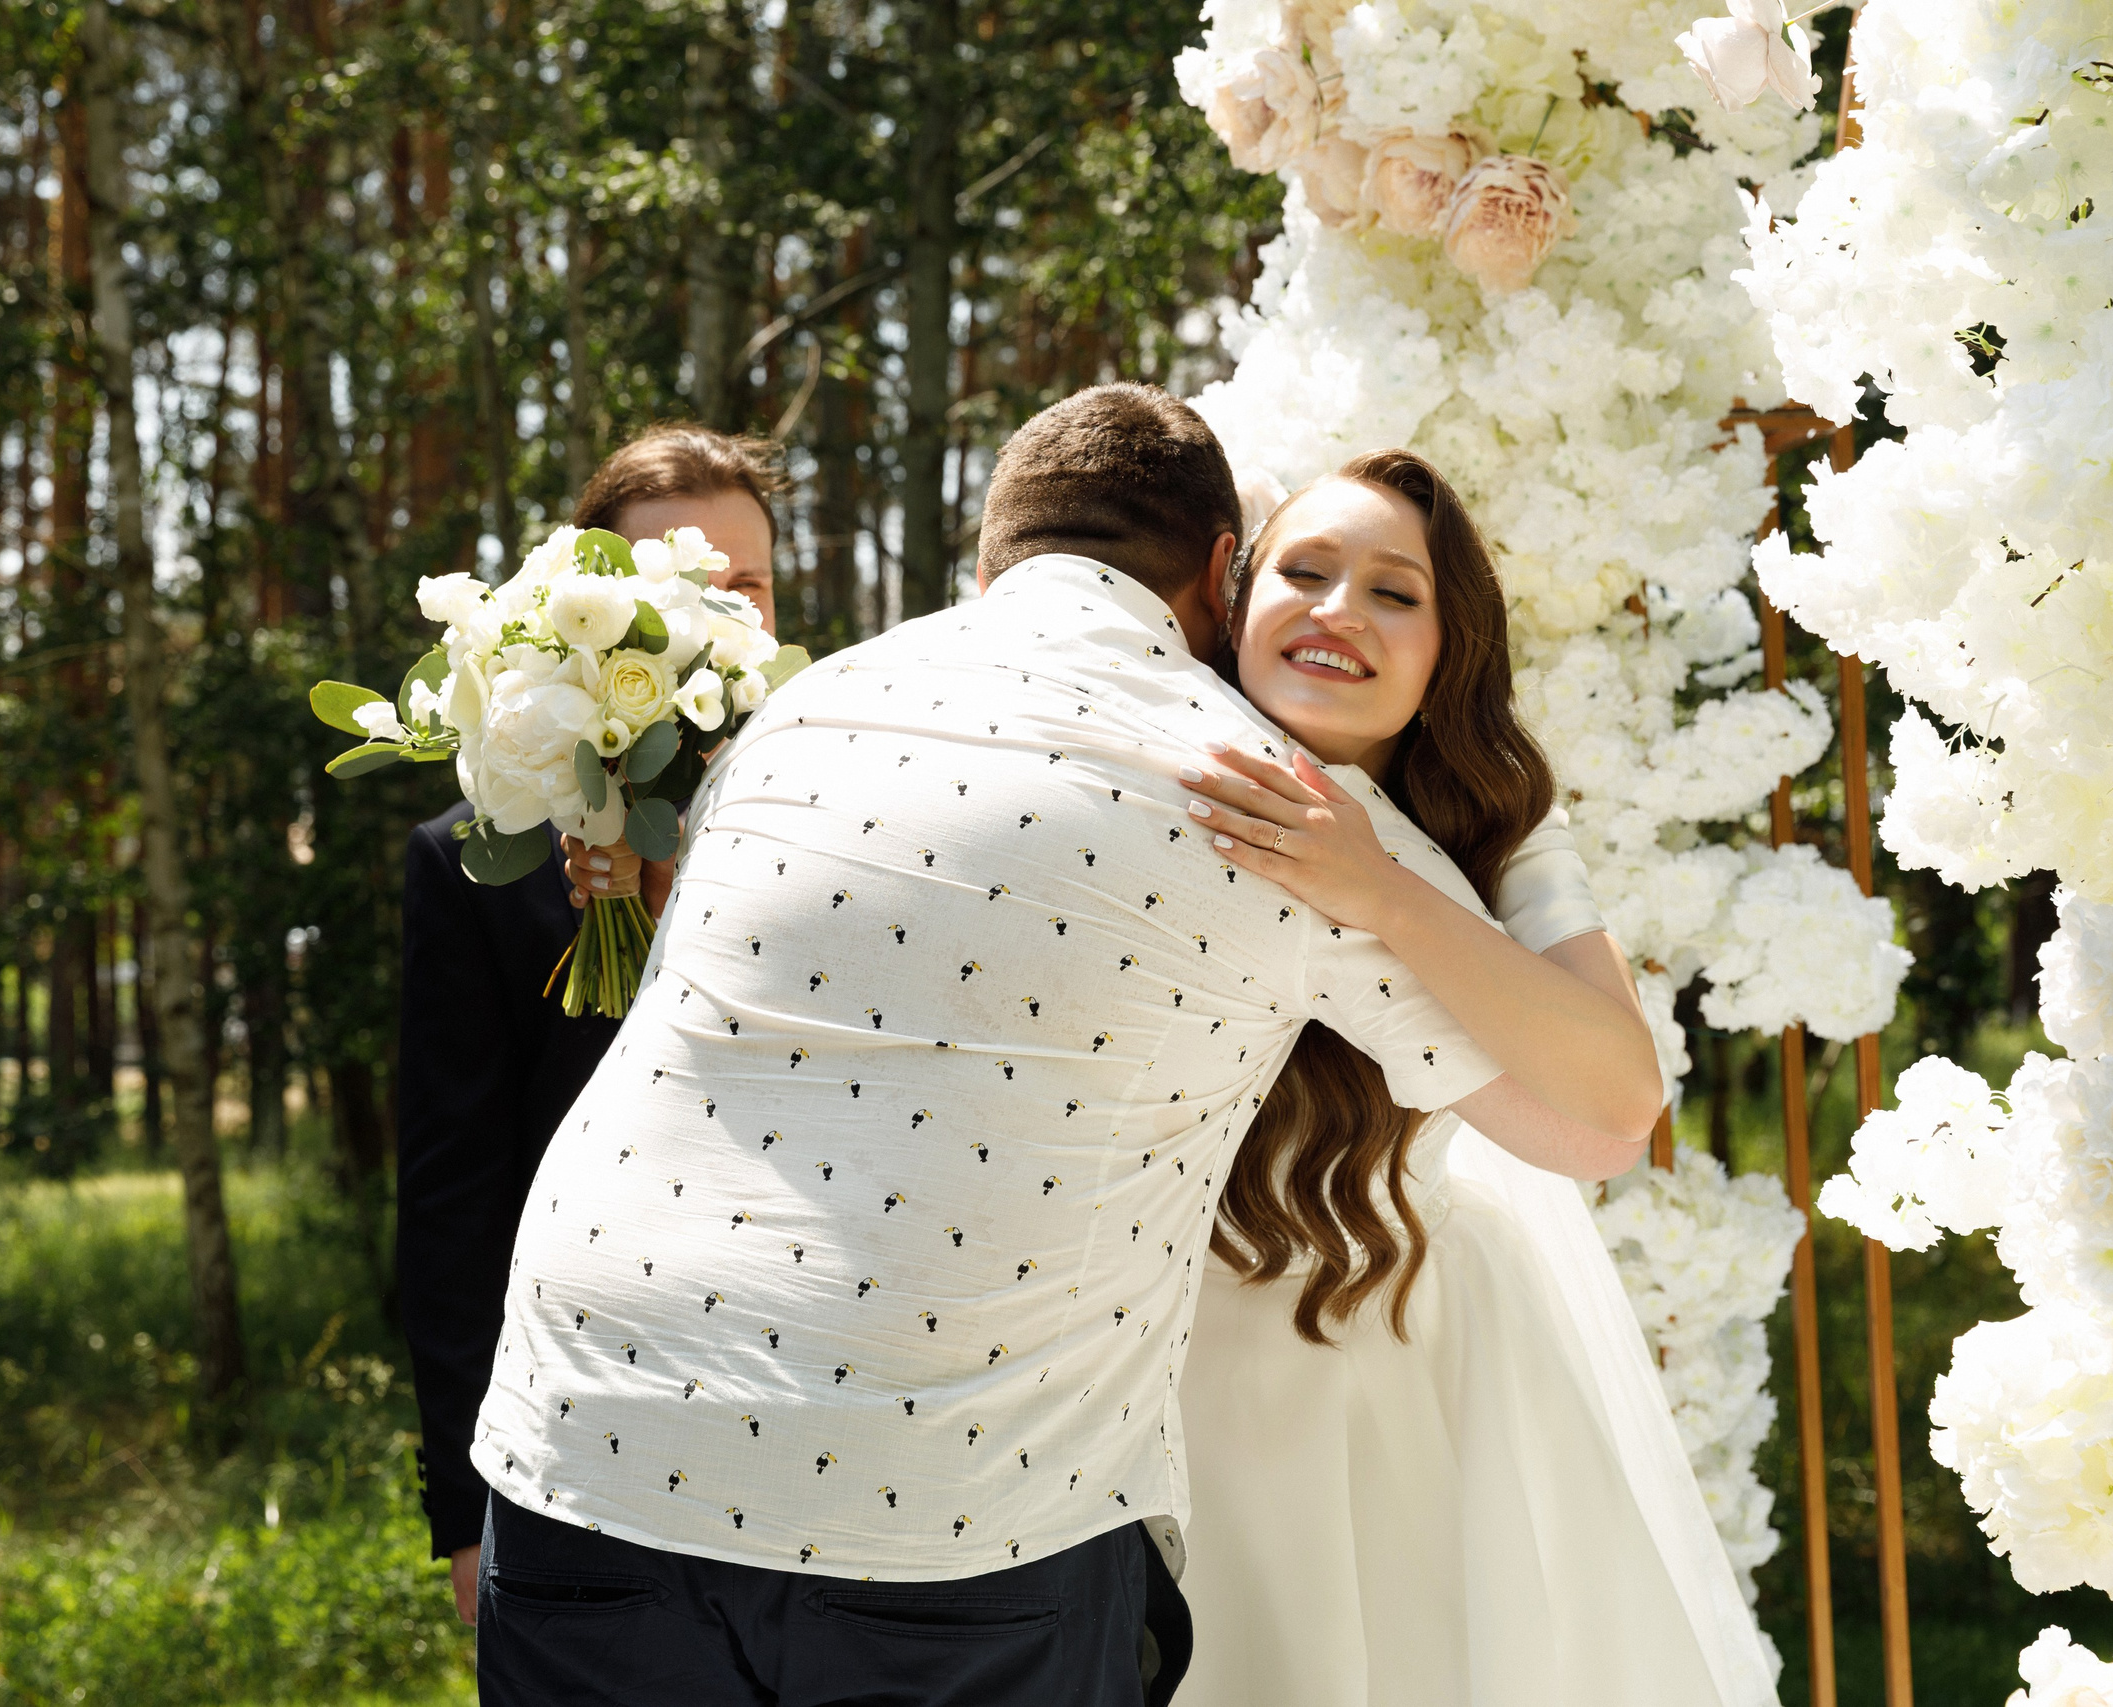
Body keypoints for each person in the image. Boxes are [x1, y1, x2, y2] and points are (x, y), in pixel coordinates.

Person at [463, 385, 1658, 1707]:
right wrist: (1400, 884)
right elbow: (1596, 1125)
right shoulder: (1277, 802)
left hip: (587, 1431)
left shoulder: (808, 706)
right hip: (940, 1502)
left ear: (990, 562)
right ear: (1223, 576)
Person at [1164, 451, 1779, 1706]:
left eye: (1395, 593)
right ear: (1235, 602)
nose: (1340, 610)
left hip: (1393, 1331)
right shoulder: (1150, 769)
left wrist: (1381, 889)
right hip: (1161, 1348)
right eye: (1305, 572)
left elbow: (1614, 1107)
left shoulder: (1499, 821)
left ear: (1448, 651)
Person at [394, 423, 783, 1628]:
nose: (723, 617)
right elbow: (455, 1194)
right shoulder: (476, 862)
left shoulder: (843, 825)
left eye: (749, 587)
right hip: (578, 1425)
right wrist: (465, 1506)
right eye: (682, 591)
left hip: (806, 1413)